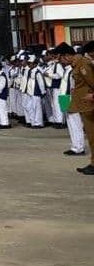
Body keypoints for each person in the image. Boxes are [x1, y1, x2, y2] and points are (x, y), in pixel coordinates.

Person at [56, 43, 94, 175]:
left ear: (67, 56)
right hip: (81, 104)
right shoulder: (74, 65)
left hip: (89, 105)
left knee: (92, 136)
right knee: (90, 136)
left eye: (60, 58)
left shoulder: (83, 64)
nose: (60, 62)